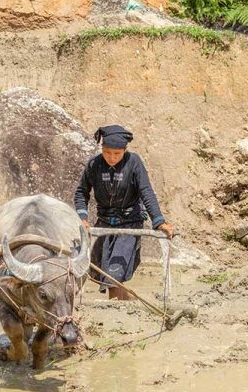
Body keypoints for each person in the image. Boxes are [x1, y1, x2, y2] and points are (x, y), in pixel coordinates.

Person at [74, 125, 174, 300]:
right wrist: (83, 218)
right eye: (107, 152)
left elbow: (146, 192)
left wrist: (159, 221)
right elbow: (81, 192)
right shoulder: (94, 165)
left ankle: (117, 313)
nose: (111, 158)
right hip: (104, 222)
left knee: (114, 272)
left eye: (117, 154)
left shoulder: (134, 162)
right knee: (96, 269)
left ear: (125, 151)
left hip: (129, 223)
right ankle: (129, 301)